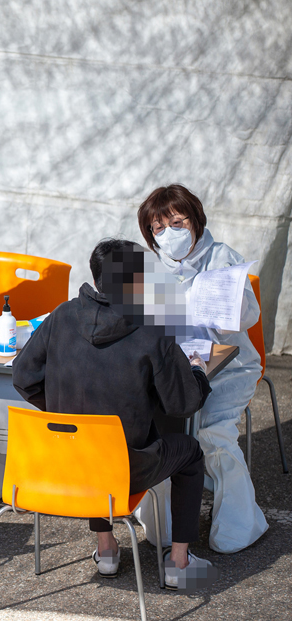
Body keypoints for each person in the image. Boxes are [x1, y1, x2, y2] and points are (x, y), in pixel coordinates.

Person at [12, 238, 217, 590]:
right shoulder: (152, 329)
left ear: (96, 276)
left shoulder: (62, 315)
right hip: (124, 471)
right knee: (191, 454)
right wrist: (197, 371)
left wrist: (63, 412)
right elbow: (182, 404)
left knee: (90, 432)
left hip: (63, 463)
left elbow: (22, 376)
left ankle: (106, 551)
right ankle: (179, 562)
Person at [133, 184, 268, 554]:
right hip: (170, 370)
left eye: (178, 223)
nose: (169, 235)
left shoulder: (222, 258)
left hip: (228, 367)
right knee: (156, 432)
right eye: (159, 229)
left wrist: (222, 305)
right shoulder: (149, 268)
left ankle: (243, 519)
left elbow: (247, 317)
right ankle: (163, 518)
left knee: (212, 434)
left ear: (195, 220)